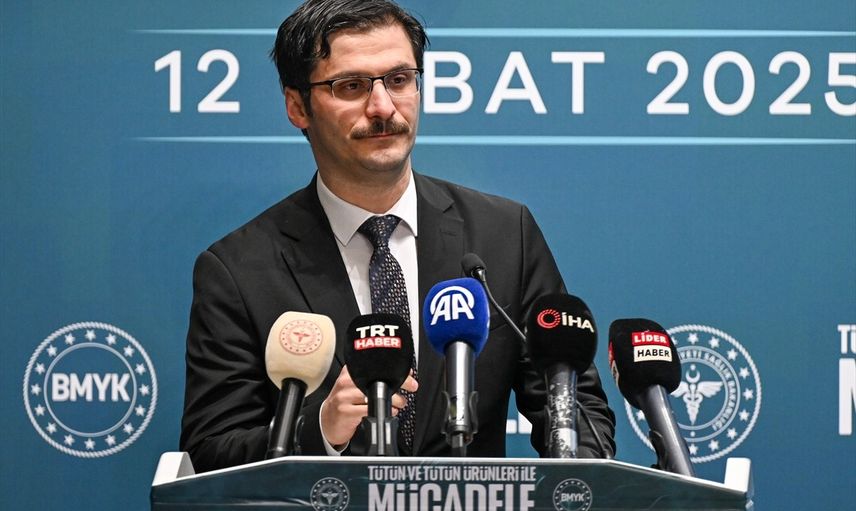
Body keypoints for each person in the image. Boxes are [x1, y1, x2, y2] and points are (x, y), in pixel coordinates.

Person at [179, 0, 615, 473]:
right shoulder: (239, 270)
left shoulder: (505, 235)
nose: (383, 107)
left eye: (400, 79)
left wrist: (577, 477)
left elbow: (575, 403)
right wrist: (319, 429)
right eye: (351, 86)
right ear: (297, 106)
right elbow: (212, 452)